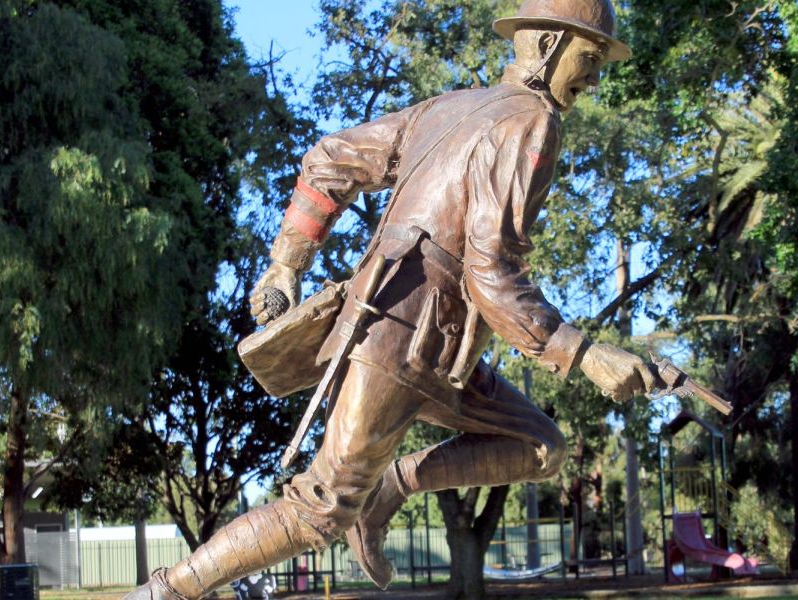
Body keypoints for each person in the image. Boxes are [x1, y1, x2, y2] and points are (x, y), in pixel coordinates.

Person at [127, 1, 659, 598]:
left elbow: (331, 158)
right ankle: (166, 591)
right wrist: (584, 354)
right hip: (396, 336)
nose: (593, 77)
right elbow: (490, 269)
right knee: (320, 510)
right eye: (589, 57)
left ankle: (392, 487)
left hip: (441, 348)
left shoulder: (448, 108)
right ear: (547, 45)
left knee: (540, 446)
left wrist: (285, 265)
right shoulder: (534, 122)